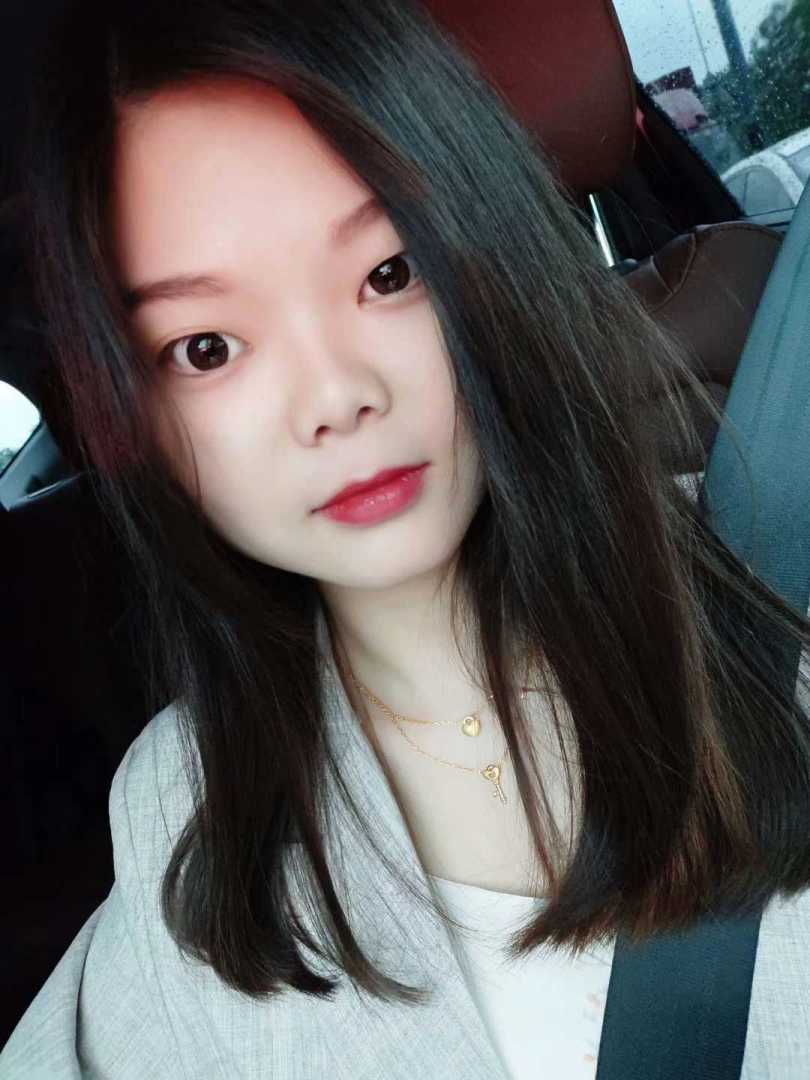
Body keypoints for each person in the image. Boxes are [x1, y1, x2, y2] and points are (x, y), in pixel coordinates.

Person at [3, 0, 810, 1076]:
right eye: (206, 348)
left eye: (390, 273)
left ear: (492, 252)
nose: (335, 397)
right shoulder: (179, 808)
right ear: (133, 414)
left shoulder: (781, 580)